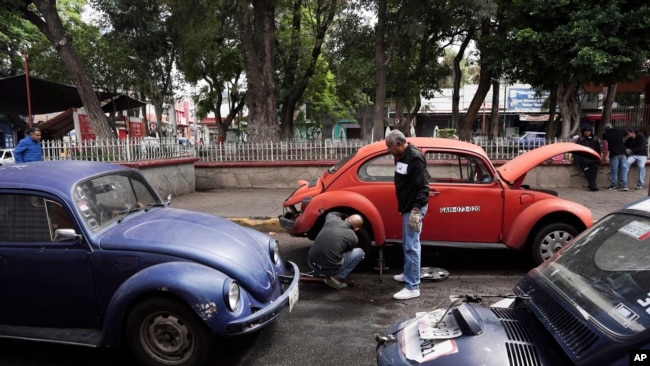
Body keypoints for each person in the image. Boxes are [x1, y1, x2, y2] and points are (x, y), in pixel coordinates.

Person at [385, 129, 429, 300]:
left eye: (390, 146)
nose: (388, 150)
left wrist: (415, 212)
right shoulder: (401, 156)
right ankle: (409, 273)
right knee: (407, 244)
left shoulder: (414, 159)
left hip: (414, 208)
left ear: (398, 144)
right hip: (407, 207)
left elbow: (424, 188)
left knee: (412, 246)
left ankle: (412, 286)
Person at [307, 212, 365, 290]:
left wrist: (344, 214)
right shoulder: (353, 237)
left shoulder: (332, 219)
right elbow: (347, 251)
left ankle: (317, 272)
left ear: (346, 219)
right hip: (330, 270)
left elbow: (332, 213)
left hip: (311, 263)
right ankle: (336, 278)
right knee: (360, 252)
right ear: (357, 229)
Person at [602, 122, 629, 191]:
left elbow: (605, 146)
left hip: (614, 154)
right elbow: (627, 133)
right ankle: (624, 185)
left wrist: (605, 156)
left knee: (614, 171)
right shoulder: (619, 130)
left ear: (605, 129)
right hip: (623, 153)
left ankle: (614, 186)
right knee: (624, 169)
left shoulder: (605, 134)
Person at [574, 126, 601, 191]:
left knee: (594, 172)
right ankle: (592, 184)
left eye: (588, 131)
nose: (587, 133)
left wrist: (598, 160)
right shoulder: (580, 139)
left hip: (593, 160)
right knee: (587, 172)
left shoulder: (595, 139)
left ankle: (592, 184)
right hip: (583, 160)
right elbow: (576, 150)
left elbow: (598, 150)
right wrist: (576, 161)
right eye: (585, 131)